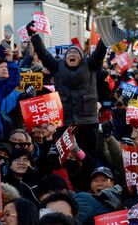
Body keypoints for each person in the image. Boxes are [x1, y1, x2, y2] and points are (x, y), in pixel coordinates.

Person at [26, 20, 107, 157]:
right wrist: (34, 36)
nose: (72, 54)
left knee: (88, 156)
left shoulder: (91, 65)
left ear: (82, 57)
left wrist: (107, 34)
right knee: (67, 157)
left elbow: (100, 51)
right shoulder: (57, 66)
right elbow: (44, 54)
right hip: (66, 121)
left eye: (76, 52)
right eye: (69, 53)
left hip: (88, 121)